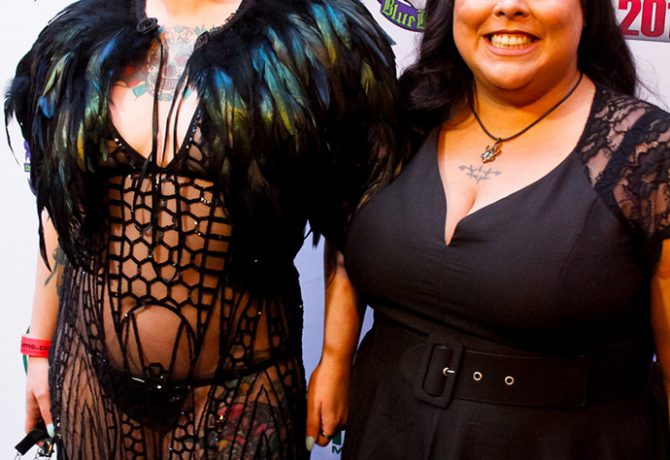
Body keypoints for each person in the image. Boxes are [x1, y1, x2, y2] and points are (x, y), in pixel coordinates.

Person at [6, 0, 396, 457]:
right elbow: (61, 208)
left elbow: (351, 212)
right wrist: (39, 347)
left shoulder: (310, 38)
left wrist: (335, 358)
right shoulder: (78, 40)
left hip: (241, 390)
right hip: (90, 377)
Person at [320, 0, 670, 458]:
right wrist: (334, 358)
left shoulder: (648, 154)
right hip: (384, 429)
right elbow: (348, 235)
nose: (508, 7)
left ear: (587, 10)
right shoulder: (404, 116)